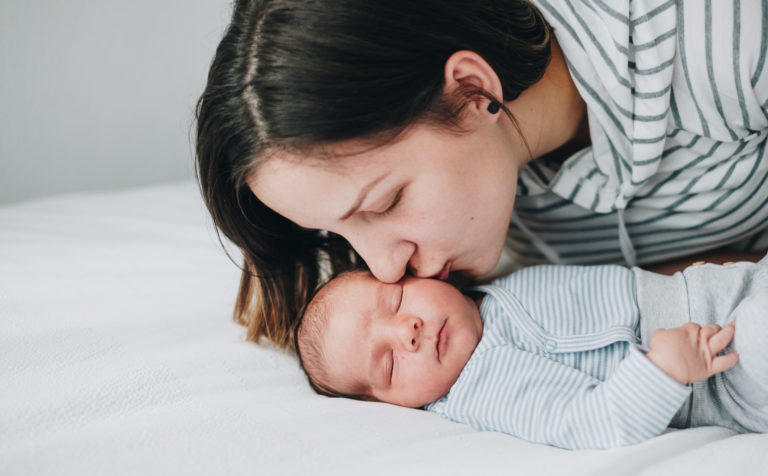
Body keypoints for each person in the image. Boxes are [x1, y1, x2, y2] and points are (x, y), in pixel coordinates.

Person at [196, 0, 768, 349]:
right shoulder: (496, 212)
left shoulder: (719, 44)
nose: (385, 270)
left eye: (387, 201)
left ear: (472, 89)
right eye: (341, 234)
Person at [295, 257, 768, 450]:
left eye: (396, 301)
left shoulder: (487, 288)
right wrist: (664, 372)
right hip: (721, 375)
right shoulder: (482, 390)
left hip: (723, 290)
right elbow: (590, 422)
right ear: (394, 407)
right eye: (391, 363)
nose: (408, 332)